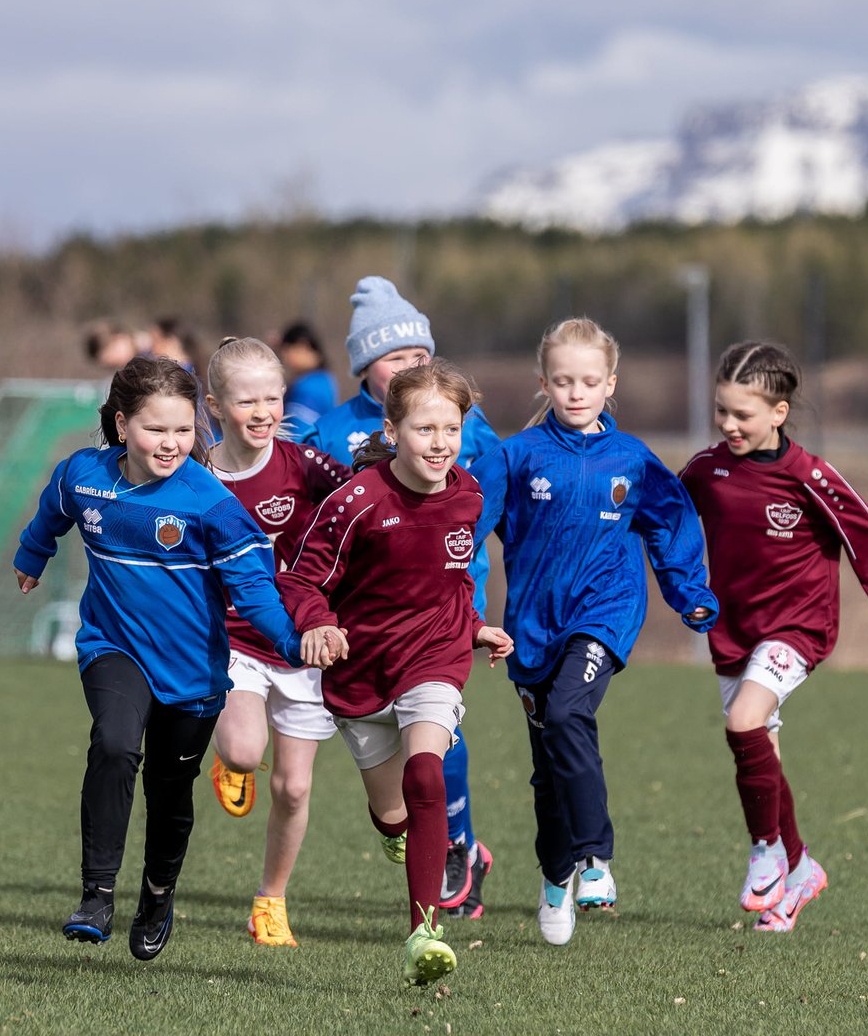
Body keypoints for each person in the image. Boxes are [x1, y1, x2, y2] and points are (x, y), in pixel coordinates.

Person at [12, 355, 332, 961]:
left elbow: (256, 593)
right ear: (122, 423)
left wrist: (293, 645)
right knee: (113, 743)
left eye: (183, 430)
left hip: (193, 671)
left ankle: (157, 896)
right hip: (114, 647)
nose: (171, 443)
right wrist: (33, 555)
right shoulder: (83, 475)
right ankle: (96, 896)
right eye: (156, 430)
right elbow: (53, 512)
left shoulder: (210, 504)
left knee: (169, 788)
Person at [468, 317, 718, 947]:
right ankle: (556, 879)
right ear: (544, 383)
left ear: (611, 382)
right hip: (531, 627)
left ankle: (596, 859)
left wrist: (688, 593)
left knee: (571, 713)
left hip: (605, 613)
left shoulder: (631, 459)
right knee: (549, 766)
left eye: (588, 381)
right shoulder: (515, 457)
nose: (575, 393)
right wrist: (467, 610)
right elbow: (465, 532)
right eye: (562, 381)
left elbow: (670, 523)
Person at [278, 359, 513, 985]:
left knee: (427, 771)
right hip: (360, 676)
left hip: (434, 658)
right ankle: (395, 830)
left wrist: (474, 626)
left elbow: (455, 580)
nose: (440, 444)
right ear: (393, 429)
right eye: (424, 430)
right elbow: (303, 579)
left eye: (451, 429)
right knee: (393, 814)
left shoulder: (467, 493)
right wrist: (318, 625)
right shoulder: (355, 503)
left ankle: (424, 931)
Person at [679, 341, 868, 932]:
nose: (729, 425)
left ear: (779, 413)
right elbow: (664, 519)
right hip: (734, 631)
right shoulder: (707, 471)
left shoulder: (809, 476)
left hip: (798, 628)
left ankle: (765, 852)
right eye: (721, 411)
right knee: (763, 753)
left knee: (743, 723)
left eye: (743, 414)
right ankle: (800, 869)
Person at [202, 336, 351, 947]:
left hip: (304, 640)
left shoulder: (303, 464)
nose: (263, 412)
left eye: (273, 397)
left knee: (293, 787)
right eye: (247, 401)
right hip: (234, 638)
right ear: (214, 406)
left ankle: (271, 900)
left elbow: (359, 501)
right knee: (242, 749)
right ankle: (229, 761)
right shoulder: (197, 476)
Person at [277, 320, 339, 437]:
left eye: (287, 349)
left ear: (302, 346)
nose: (284, 355)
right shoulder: (325, 380)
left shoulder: (307, 387)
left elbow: (297, 434)